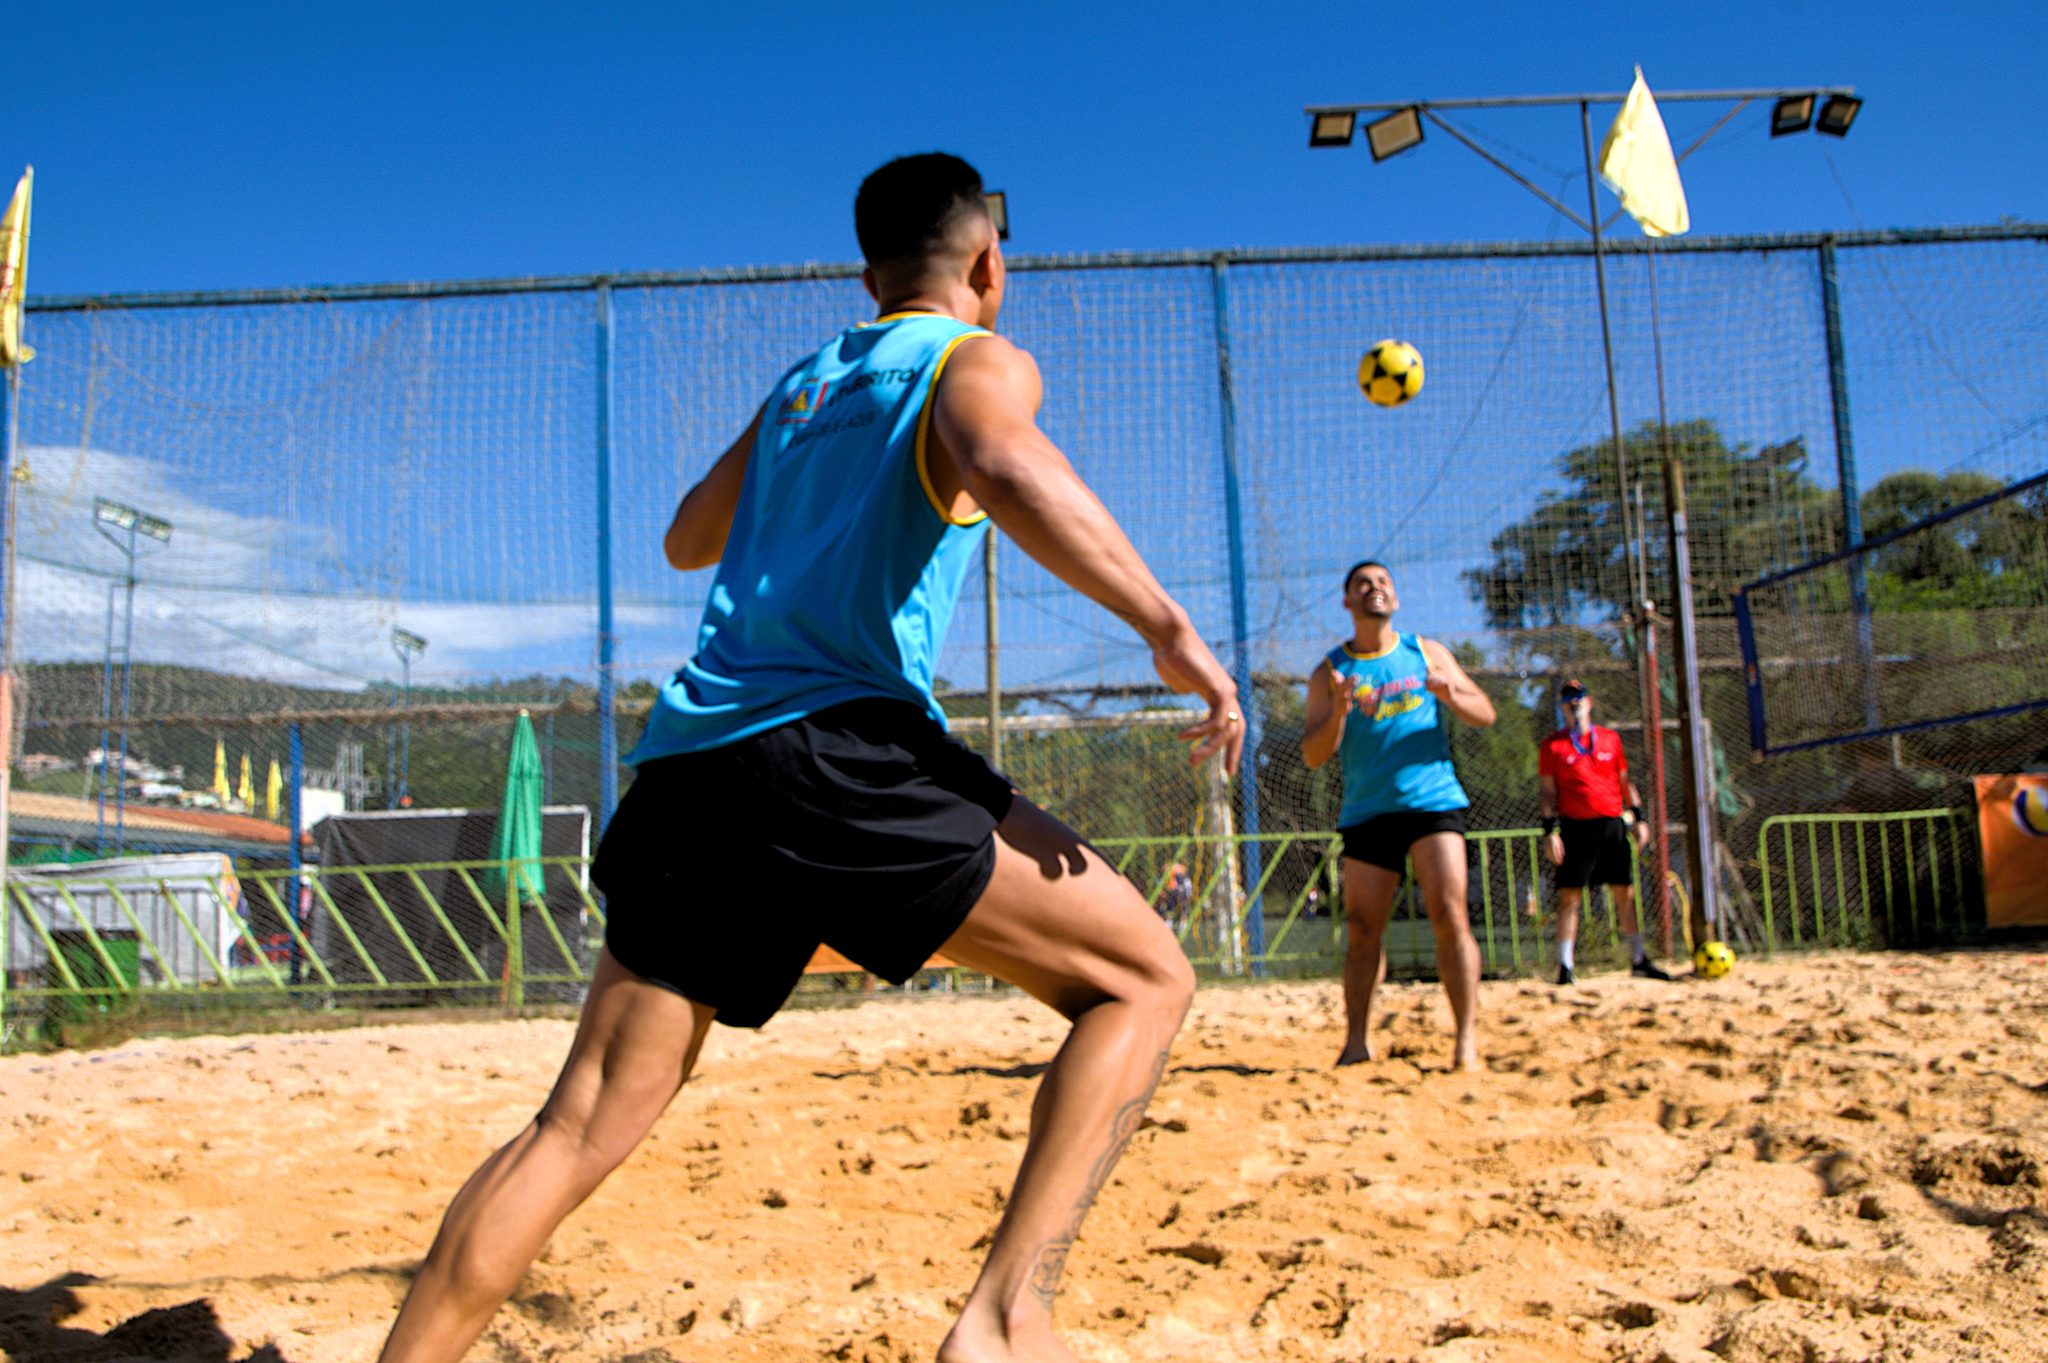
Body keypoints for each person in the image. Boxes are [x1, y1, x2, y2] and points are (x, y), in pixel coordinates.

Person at [376, 153, 1243, 1363]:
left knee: (572, 1125)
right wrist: (1170, 630)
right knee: (1142, 980)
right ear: (988, 261)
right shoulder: (971, 358)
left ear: (866, 270)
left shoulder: (800, 384)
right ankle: (1003, 1317)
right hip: (836, 752)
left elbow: (688, 535)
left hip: (690, 766)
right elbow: (1000, 460)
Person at [1300, 560, 1495, 1073]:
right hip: (1368, 810)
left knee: (1450, 914)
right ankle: (1357, 1042)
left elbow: (1485, 713)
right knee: (1364, 929)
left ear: (1396, 598)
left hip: (1433, 802)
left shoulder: (1426, 653)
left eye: (1383, 582)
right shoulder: (1329, 672)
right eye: (1363, 584)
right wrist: (1339, 713)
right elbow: (1313, 754)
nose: (1375, 589)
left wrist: (1451, 693)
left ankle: (1466, 1041)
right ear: (1347, 602)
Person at [1537, 678, 1671, 985]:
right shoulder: (1553, 745)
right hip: (1575, 826)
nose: (1575, 702)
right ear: (1562, 706)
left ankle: (1638, 959)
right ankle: (1565, 966)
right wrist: (1550, 830)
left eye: (1579, 697)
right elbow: (1546, 792)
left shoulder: (1610, 740)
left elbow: (1625, 781)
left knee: (1624, 891)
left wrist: (1639, 817)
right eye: (1569, 698)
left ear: (1589, 702)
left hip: (1611, 824)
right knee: (1569, 895)